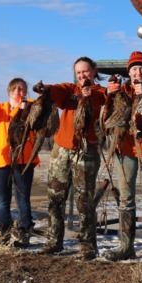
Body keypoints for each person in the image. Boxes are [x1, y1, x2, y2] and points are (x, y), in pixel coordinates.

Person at [33, 57, 106, 259]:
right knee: (55, 197)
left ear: (94, 71)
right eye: (79, 72)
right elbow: (57, 91)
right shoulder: (69, 90)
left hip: (86, 150)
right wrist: (45, 89)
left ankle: (88, 245)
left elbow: (100, 108)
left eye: (86, 71)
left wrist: (87, 96)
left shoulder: (101, 93)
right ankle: (54, 240)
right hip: (62, 149)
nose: (82, 76)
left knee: (85, 200)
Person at [103, 51, 142, 262]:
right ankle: (126, 246)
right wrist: (109, 94)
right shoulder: (122, 92)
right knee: (125, 197)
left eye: (141, 69)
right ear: (128, 73)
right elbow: (107, 116)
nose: (138, 73)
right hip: (125, 150)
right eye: (134, 69)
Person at [0, 77, 40, 248]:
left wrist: (25, 109)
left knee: (23, 198)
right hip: (0, 160)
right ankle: (4, 231)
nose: (18, 92)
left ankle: (24, 232)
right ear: (9, 91)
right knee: (2, 199)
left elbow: (39, 113)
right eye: (15, 89)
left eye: (22, 89)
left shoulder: (31, 107)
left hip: (23, 160)